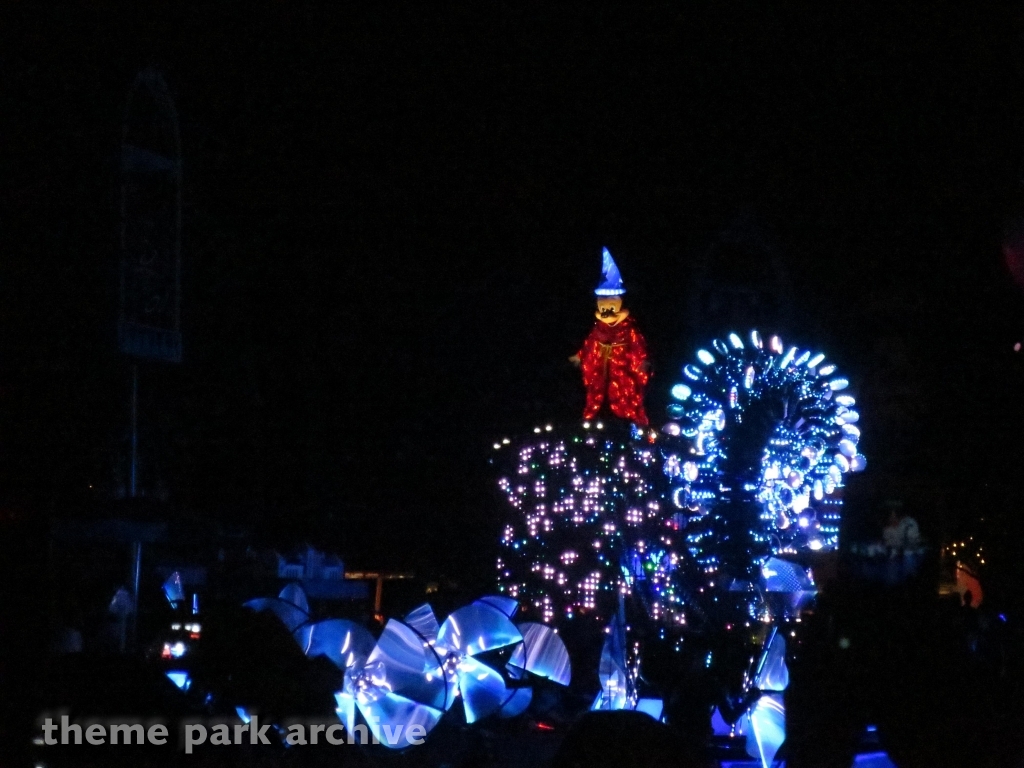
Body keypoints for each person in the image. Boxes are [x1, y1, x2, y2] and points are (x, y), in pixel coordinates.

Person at [570, 248, 651, 427]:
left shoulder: (628, 328)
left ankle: (629, 422)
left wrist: (643, 361)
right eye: (602, 304)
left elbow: (638, 345)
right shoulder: (598, 327)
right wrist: (580, 355)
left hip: (621, 369)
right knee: (596, 393)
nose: (606, 309)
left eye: (611, 304)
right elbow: (590, 343)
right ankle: (591, 421)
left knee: (625, 395)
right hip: (600, 369)